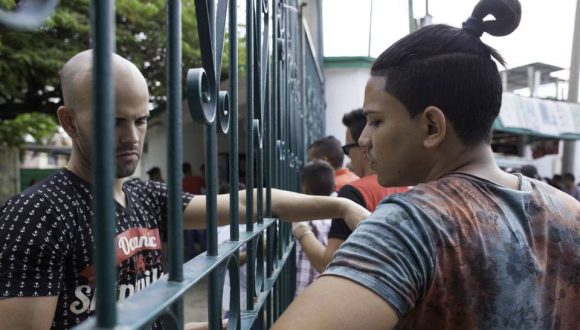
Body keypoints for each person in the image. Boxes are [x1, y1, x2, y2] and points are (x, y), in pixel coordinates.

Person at [0, 50, 369, 329]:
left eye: (141, 120)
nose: (132, 137)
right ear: (69, 121)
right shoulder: (35, 215)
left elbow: (251, 202)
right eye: (114, 121)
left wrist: (340, 208)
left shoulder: (146, 197)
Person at [276, 0, 580, 328]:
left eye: (376, 121)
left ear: (432, 127)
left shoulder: (411, 225)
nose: (364, 140)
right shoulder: (569, 214)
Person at [294, 109, 409, 272]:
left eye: (347, 149)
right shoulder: (405, 188)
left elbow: (328, 264)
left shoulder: (352, 193)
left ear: (364, 147)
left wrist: (301, 230)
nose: (347, 157)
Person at [293, 160, 333, 294]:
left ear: (305, 188)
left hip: (306, 294)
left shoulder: (303, 219)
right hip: (331, 292)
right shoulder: (340, 213)